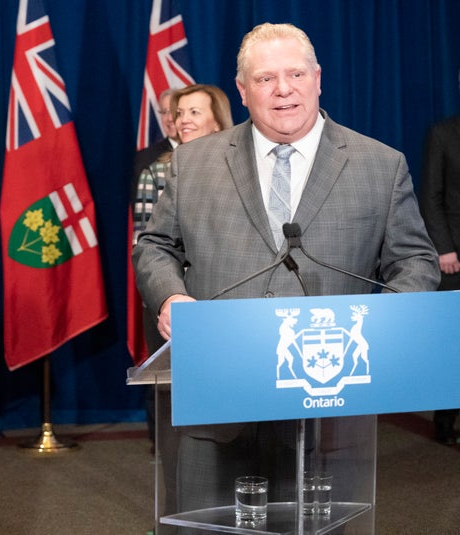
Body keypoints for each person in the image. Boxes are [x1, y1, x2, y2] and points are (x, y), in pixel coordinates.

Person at [133, 22, 439, 529]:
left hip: (331, 414)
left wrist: (383, 325)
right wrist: (170, 300)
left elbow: (416, 263)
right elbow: (155, 247)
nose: (283, 89)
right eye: (266, 77)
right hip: (219, 404)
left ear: (318, 78)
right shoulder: (193, 163)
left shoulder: (379, 164)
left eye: (295, 74)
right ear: (243, 89)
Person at [133, 84, 233, 528]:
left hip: (233, 314)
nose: (183, 119)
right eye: (179, 112)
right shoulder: (160, 171)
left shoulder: (243, 166)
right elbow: (149, 246)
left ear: (219, 119)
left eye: (195, 111)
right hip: (180, 311)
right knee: (183, 431)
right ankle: (182, 517)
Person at [419, 72, 460, 445]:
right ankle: (445, 421)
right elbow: (430, 195)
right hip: (455, 259)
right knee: (454, 345)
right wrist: (443, 248)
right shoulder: (443, 133)